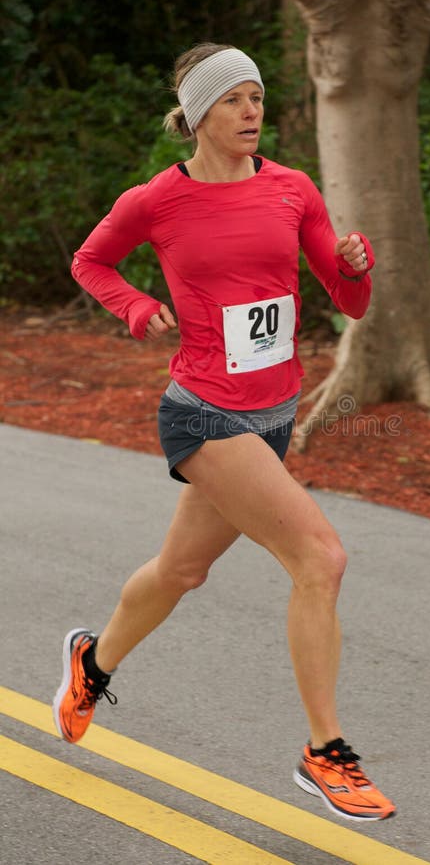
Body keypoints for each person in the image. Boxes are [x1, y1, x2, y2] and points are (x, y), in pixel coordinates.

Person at [52, 42, 395, 823]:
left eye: (258, 99)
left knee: (180, 572)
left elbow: (350, 302)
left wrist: (355, 263)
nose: (252, 113)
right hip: (204, 413)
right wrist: (137, 308)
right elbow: (91, 261)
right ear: (199, 113)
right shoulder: (156, 201)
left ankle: (90, 663)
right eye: (235, 100)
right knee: (321, 558)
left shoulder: (292, 189)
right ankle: (325, 753)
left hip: (273, 417)